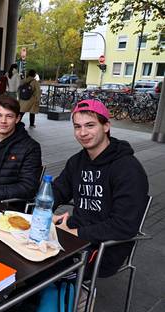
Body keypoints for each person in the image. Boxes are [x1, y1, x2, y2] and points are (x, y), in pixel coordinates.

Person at [52, 99, 149, 278]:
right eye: (77, 126)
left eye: (90, 125)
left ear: (106, 126)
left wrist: (75, 233)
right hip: (75, 233)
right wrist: (46, 211)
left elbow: (124, 226)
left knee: (45, 271)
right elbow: (57, 191)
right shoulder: (77, 161)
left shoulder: (127, 168)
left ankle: (73, 299)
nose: (82, 133)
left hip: (106, 247)